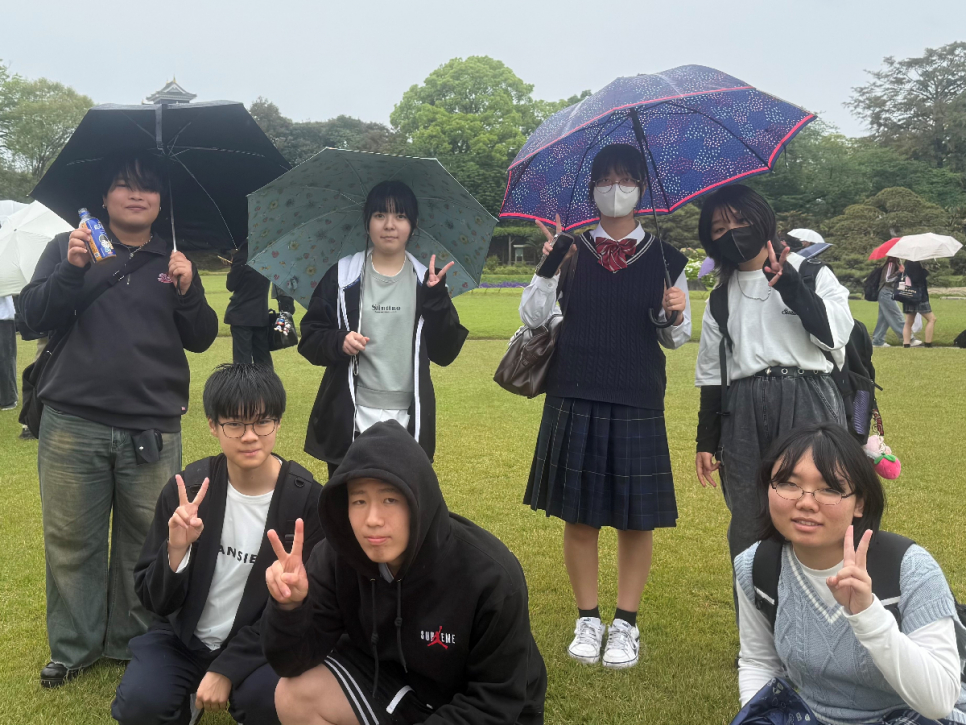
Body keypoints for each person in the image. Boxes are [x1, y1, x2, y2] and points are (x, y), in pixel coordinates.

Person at [18, 151, 219, 687]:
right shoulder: (69, 246)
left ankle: (134, 642)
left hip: (152, 425)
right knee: (71, 541)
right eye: (125, 186)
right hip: (72, 422)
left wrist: (189, 290)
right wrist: (72, 270)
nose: (136, 195)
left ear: (160, 201)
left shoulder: (172, 258)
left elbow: (201, 337)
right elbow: (31, 317)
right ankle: (74, 647)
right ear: (104, 197)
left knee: (144, 540)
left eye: (148, 188)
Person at [519, 143, 690, 670]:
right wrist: (550, 262)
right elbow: (532, 317)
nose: (616, 189)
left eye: (627, 179)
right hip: (575, 390)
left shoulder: (666, 258)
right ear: (592, 188)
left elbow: (676, 339)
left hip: (637, 395)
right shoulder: (570, 250)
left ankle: (626, 624)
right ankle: (588, 618)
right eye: (606, 179)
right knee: (580, 516)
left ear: (642, 188)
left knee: (637, 520)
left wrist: (674, 312)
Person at [261, 420, 547, 725]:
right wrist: (289, 607)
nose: (373, 519)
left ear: (419, 500)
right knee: (293, 695)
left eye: (390, 499)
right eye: (359, 500)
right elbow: (291, 662)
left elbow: (495, 701)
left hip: (483, 711)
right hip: (400, 688)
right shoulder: (338, 557)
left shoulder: (491, 577)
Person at [112, 364, 324, 725]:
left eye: (262, 422)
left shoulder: (305, 503)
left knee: (271, 703)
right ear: (213, 425)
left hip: (263, 642)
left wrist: (227, 668)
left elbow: (312, 611)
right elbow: (154, 600)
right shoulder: (189, 491)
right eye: (235, 424)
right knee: (140, 704)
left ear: (278, 423)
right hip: (183, 637)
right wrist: (176, 552)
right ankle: (183, 700)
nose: (250, 436)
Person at [735, 423, 966, 724]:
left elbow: (939, 701)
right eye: (788, 484)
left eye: (830, 489)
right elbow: (759, 662)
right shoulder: (758, 566)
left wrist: (869, 616)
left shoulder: (910, 569)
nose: (806, 502)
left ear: (860, 503)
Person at [694, 184, 854, 568]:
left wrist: (791, 287)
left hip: (809, 398)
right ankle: (754, 603)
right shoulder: (720, 297)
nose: (732, 233)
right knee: (749, 516)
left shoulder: (812, 274)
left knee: (814, 508)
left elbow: (834, 336)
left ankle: (821, 599)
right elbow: (714, 373)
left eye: (740, 221)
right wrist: (706, 440)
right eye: (719, 228)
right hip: (743, 409)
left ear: (762, 220)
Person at [298, 180, 467, 477]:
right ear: (367, 223)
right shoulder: (343, 276)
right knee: (347, 499)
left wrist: (436, 299)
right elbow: (311, 336)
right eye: (380, 215)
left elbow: (445, 352)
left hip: (407, 417)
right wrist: (339, 341)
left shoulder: (425, 281)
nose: (389, 225)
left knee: (397, 499)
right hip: (350, 414)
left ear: (413, 225)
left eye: (400, 216)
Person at [226, 244, 296, 368]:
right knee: (263, 360)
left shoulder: (242, 256)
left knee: (242, 363)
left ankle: (244, 382)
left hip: (241, 314)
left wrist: (233, 267)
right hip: (260, 314)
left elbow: (231, 285)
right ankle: (269, 381)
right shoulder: (267, 255)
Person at [873, 257, 920, 348]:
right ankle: (909, 339)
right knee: (896, 315)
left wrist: (902, 272)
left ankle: (878, 341)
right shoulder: (891, 264)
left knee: (884, 319)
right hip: (886, 293)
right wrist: (899, 272)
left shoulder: (896, 264)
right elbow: (887, 279)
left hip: (887, 293)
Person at [902, 261, 937, 348]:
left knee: (908, 322)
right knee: (932, 319)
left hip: (908, 297)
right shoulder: (914, 264)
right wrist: (925, 271)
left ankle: (906, 343)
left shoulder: (906, 265)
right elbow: (916, 278)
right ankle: (928, 343)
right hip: (919, 297)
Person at [0, 294, 15, 411]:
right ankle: (8, 399)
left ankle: (8, 398)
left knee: (5, 359)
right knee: (6, 358)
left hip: (3, 317)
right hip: (4, 317)